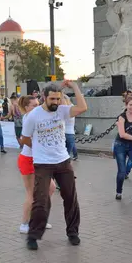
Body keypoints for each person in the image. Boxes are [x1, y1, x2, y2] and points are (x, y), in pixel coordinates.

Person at [21, 81, 88, 250]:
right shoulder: (33, 115)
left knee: (70, 197)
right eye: (52, 99)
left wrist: (75, 87)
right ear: (44, 97)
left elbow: (82, 107)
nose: (56, 102)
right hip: (43, 163)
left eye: (58, 99)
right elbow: (25, 138)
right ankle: (34, 235)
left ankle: (73, 233)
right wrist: (39, 149)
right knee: (41, 200)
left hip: (63, 161)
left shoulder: (62, 111)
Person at [17, 95, 55, 234]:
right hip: (28, 159)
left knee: (50, 187)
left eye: (38, 104)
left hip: (38, 159)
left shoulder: (36, 116)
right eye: (34, 105)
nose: (37, 107)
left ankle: (39, 218)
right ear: (26, 107)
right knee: (31, 193)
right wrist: (40, 147)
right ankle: (24, 223)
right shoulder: (28, 118)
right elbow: (24, 140)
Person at [62, 95, 79, 161]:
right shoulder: (72, 108)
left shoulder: (62, 110)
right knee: (71, 145)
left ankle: (73, 156)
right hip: (70, 133)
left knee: (66, 154)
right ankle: (75, 155)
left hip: (64, 133)